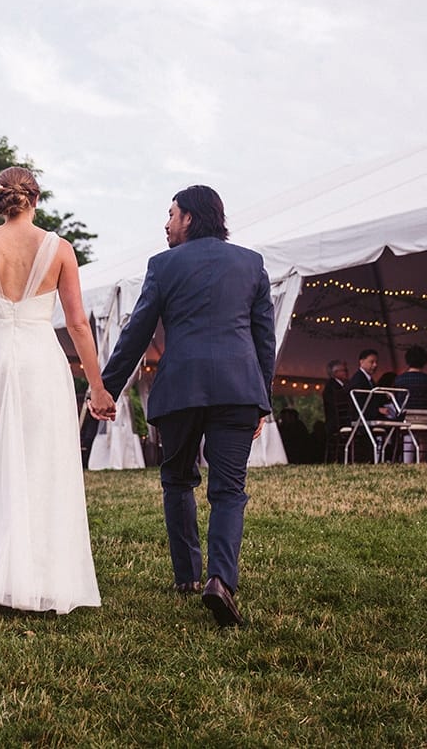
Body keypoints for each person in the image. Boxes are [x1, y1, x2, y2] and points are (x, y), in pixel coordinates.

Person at [0, 166, 116, 614]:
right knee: (40, 465)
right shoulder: (60, 249)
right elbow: (76, 325)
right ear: (35, 198)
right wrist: (97, 386)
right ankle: (37, 576)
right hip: (39, 363)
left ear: (0, 198)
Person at [98, 185, 275, 627]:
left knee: (177, 480)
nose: (166, 222)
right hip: (237, 390)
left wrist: (107, 387)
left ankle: (186, 577)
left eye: (171, 213)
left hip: (179, 389)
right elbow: (263, 339)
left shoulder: (163, 265)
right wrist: (262, 401)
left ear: (190, 218)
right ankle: (221, 580)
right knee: (229, 490)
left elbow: (137, 332)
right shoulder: (251, 263)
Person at [393, 346, 427, 410]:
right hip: (424, 415)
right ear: (424, 361)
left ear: (407, 360)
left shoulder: (399, 379)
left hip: (404, 415)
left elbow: (396, 400)